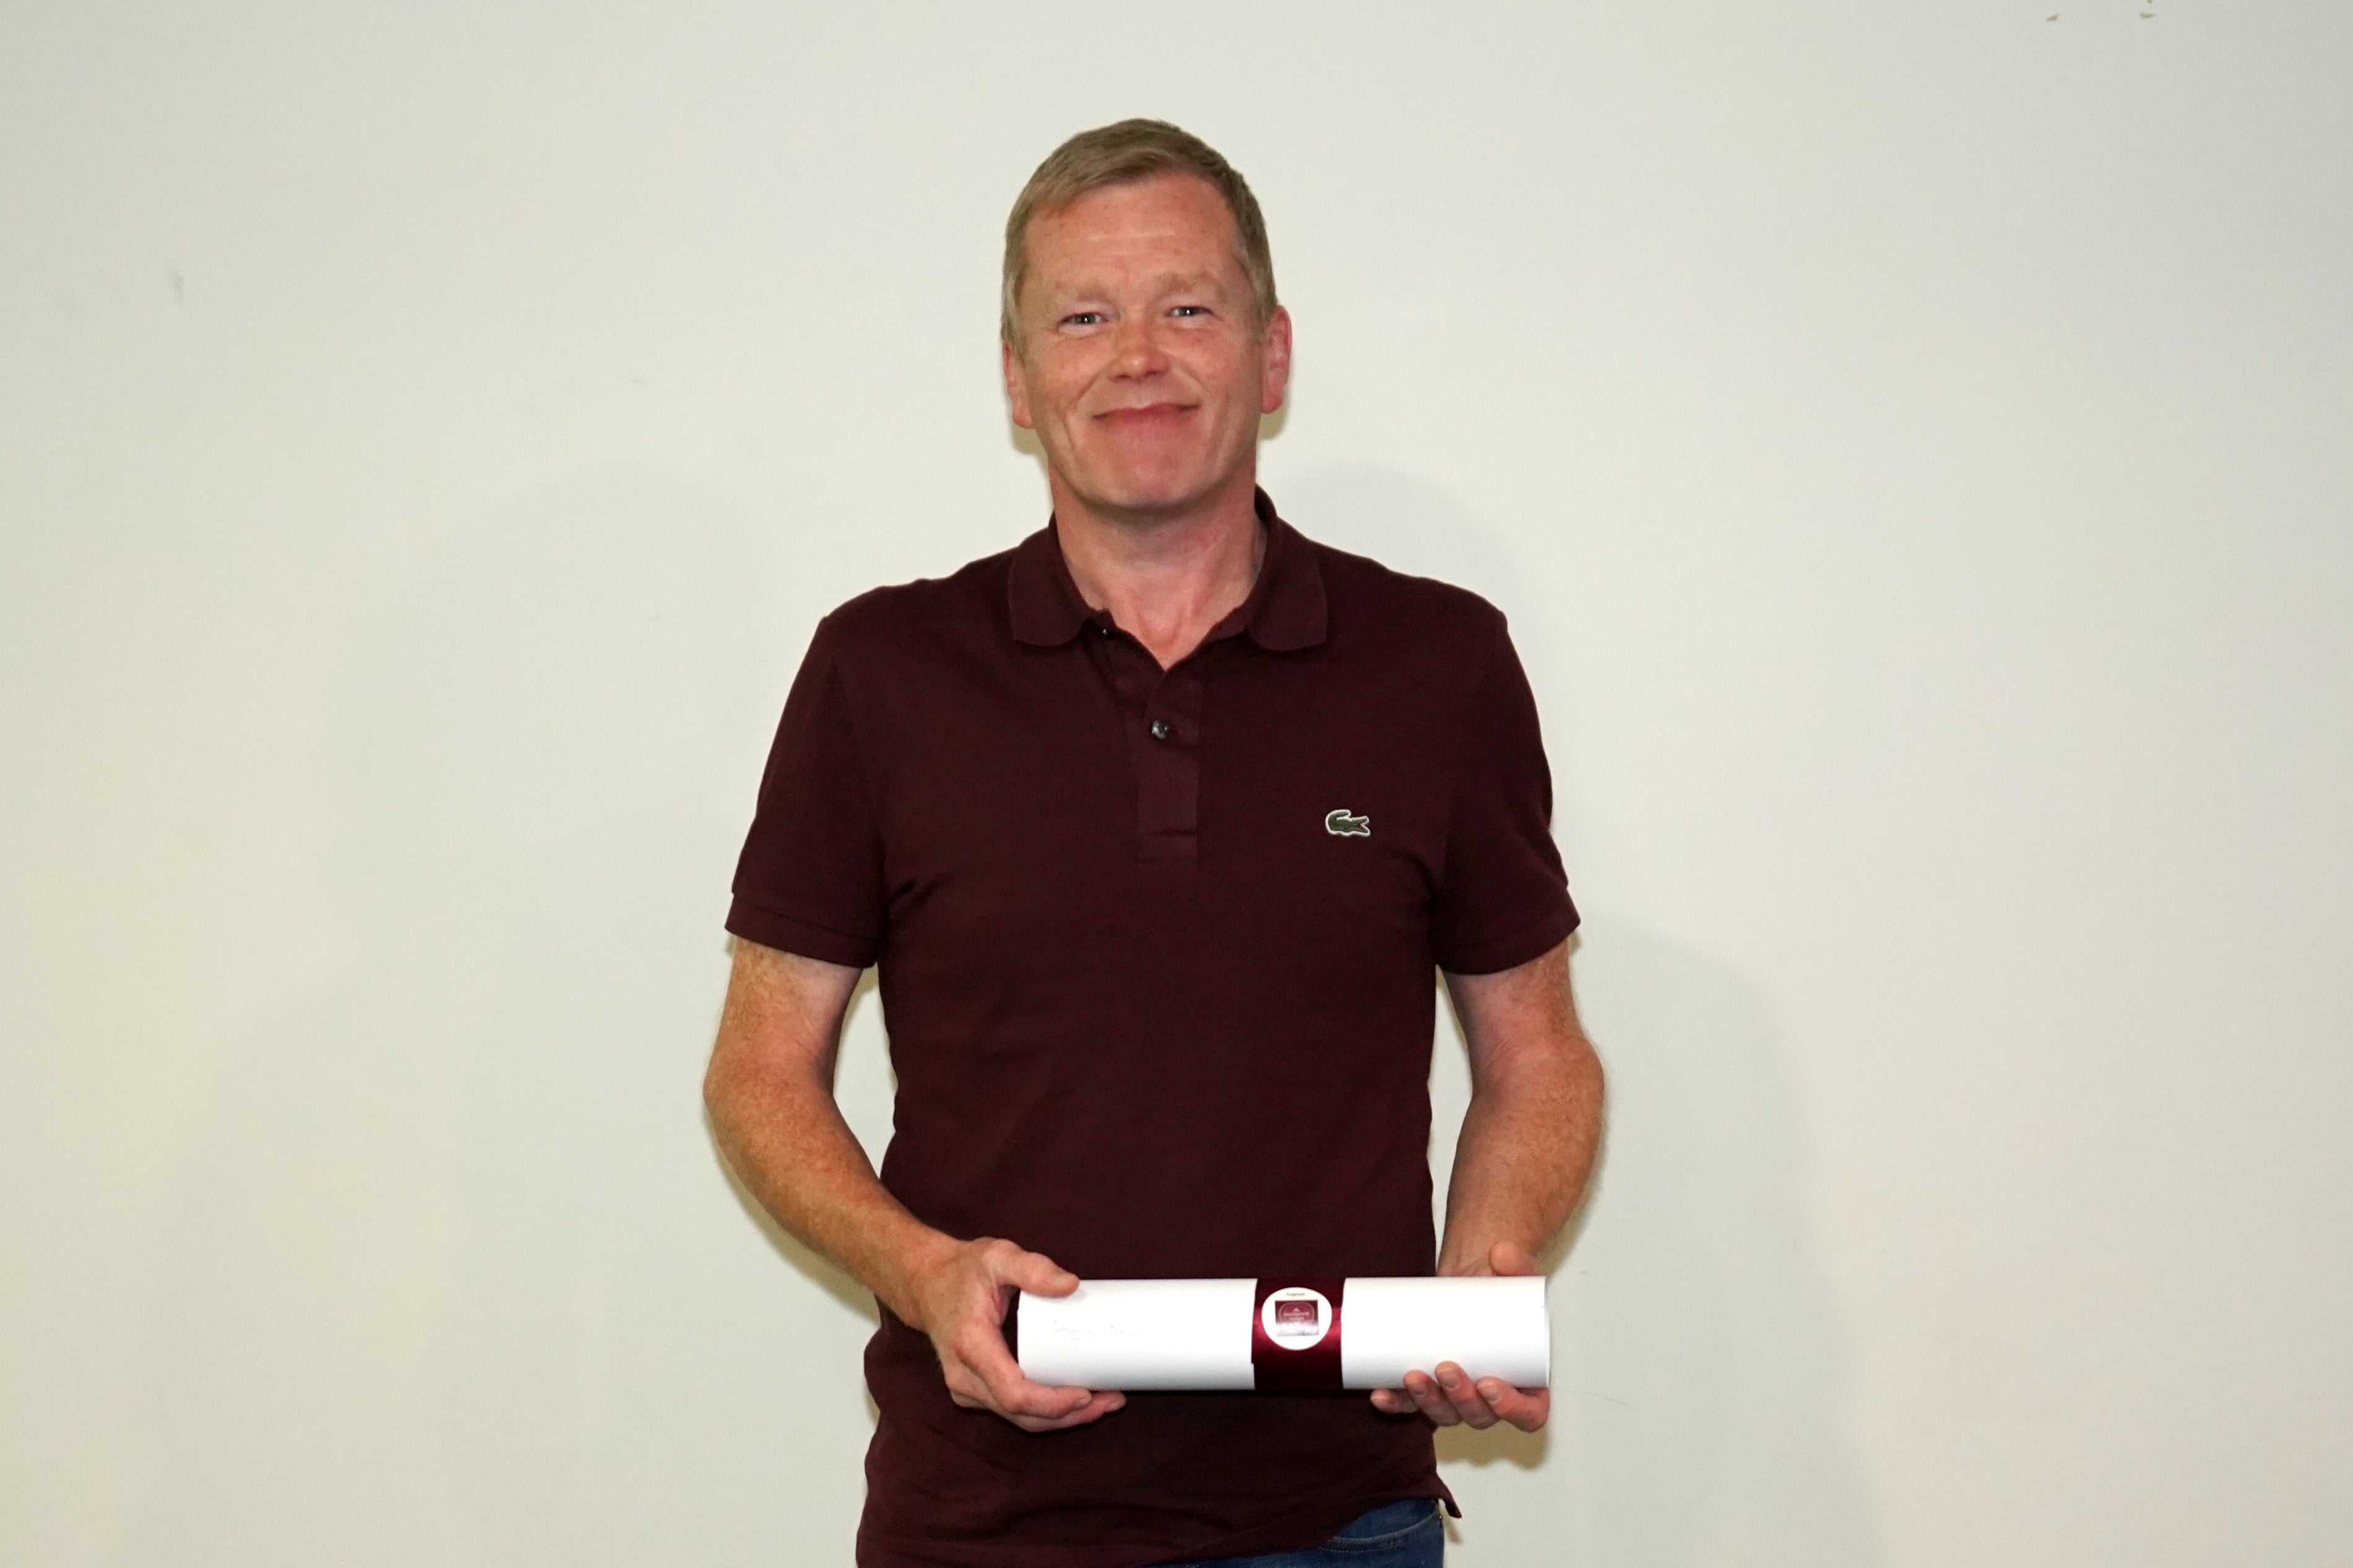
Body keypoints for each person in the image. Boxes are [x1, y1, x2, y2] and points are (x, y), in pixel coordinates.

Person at [704, 118, 1604, 1568]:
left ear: (1271, 353)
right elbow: (756, 1070)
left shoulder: (1436, 665)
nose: (1137, 356)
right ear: (1018, 377)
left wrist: (1473, 1280)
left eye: (1186, 306)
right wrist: (921, 1272)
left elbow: (1537, 1053)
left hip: (1335, 1521)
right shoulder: (882, 673)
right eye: (1082, 317)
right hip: (979, 1524)